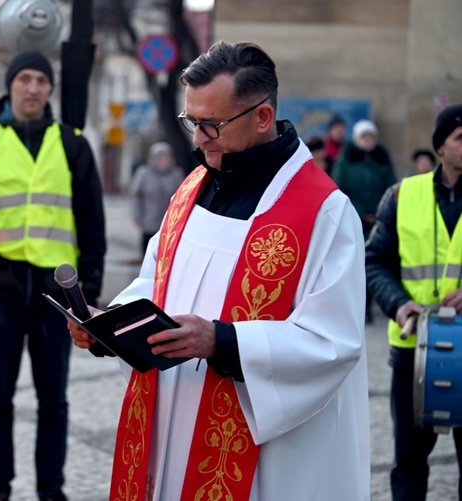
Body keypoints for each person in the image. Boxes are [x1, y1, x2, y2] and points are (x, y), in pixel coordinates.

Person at [67, 40, 370, 500]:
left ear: (262, 117)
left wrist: (223, 341)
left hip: (264, 448)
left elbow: (334, 341)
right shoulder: (193, 186)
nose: (196, 138)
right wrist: (111, 326)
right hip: (171, 415)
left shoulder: (323, 212)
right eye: (192, 121)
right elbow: (156, 282)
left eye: (210, 125)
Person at [0, 50, 106, 501]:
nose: (33, 87)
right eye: (24, 78)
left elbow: (91, 221)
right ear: (11, 85)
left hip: (56, 295)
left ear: (50, 89)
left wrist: (89, 297)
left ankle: (51, 490)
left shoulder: (73, 143)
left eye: (42, 79)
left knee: (54, 400)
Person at [366, 103, 462, 500]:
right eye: (460, 138)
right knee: (408, 462)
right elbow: (375, 261)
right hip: (414, 350)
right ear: (441, 146)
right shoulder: (403, 195)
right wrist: (399, 304)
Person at [332, 118, 396, 322]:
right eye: (364, 137)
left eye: (371, 137)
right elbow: (339, 188)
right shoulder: (347, 159)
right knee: (355, 263)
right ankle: (358, 307)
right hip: (355, 218)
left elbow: (391, 187)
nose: (368, 141)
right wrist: (359, 212)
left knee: (373, 263)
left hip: (378, 220)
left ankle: (370, 306)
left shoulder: (382, 159)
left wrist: (380, 211)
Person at [129, 141, 186, 254]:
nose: (164, 160)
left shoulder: (177, 174)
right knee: (148, 251)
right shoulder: (144, 173)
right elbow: (136, 196)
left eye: (166, 157)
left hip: (169, 223)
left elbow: (183, 198)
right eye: (160, 157)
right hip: (149, 220)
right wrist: (137, 215)